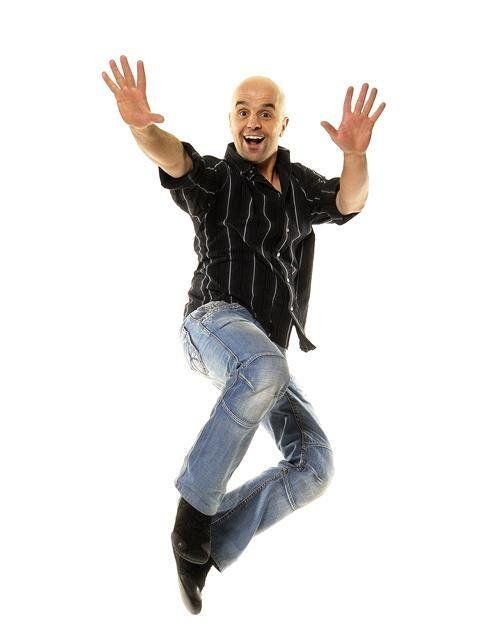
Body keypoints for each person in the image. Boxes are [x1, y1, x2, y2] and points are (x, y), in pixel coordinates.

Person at [102, 55, 385, 614]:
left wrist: (355, 155)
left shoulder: (298, 187)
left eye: (266, 112)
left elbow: (348, 201)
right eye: (242, 111)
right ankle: (192, 516)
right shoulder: (216, 178)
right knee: (264, 368)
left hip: (266, 350)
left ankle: (209, 543)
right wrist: (140, 127)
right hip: (212, 321)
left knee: (315, 466)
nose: (253, 121)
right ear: (232, 121)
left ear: (282, 124)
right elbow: (174, 157)